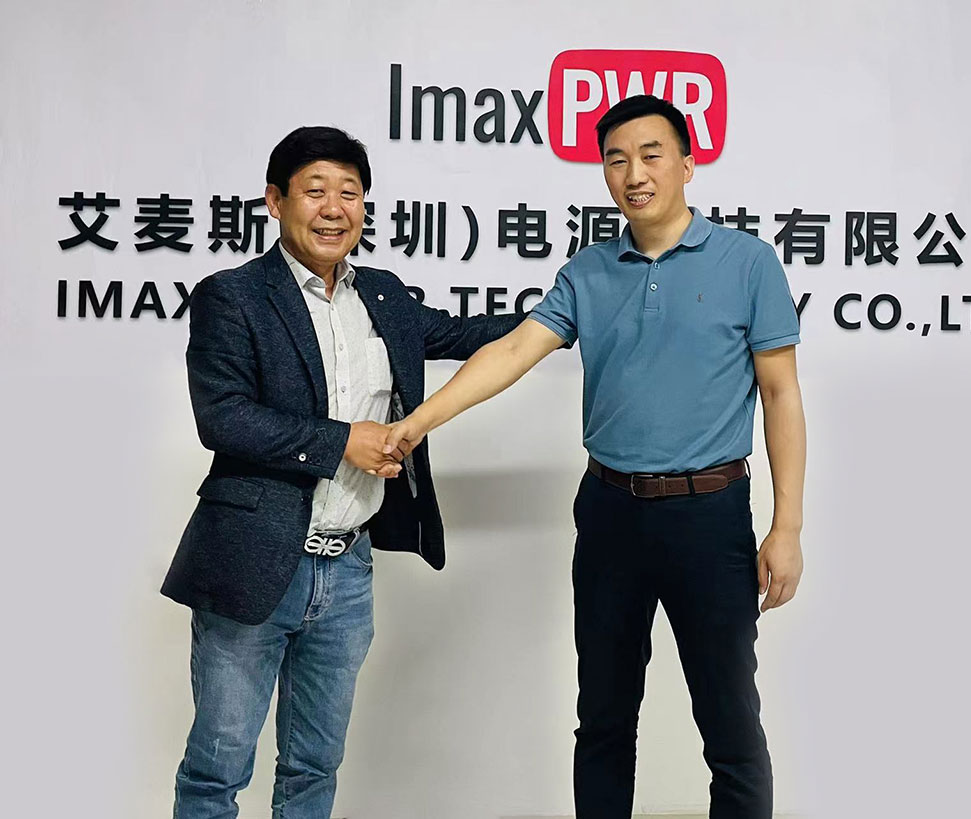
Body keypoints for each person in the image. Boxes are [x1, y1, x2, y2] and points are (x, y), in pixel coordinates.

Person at [384, 95, 807, 818]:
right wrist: (419, 421)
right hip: (610, 513)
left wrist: (787, 525)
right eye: (616, 160)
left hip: (709, 516)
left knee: (730, 723)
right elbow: (514, 350)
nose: (633, 174)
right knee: (604, 717)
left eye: (651, 154)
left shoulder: (748, 262)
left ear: (687, 164)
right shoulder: (588, 271)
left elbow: (780, 393)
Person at [161, 125, 524, 819]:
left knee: (314, 765)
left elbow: (468, 335)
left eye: (350, 193)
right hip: (252, 561)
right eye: (315, 190)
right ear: (276, 201)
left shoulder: (382, 295)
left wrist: (570, 309)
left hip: (348, 570)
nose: (334, 208)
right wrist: (340, 442)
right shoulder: (232, 296)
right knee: (217, 767)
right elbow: (224, 418)